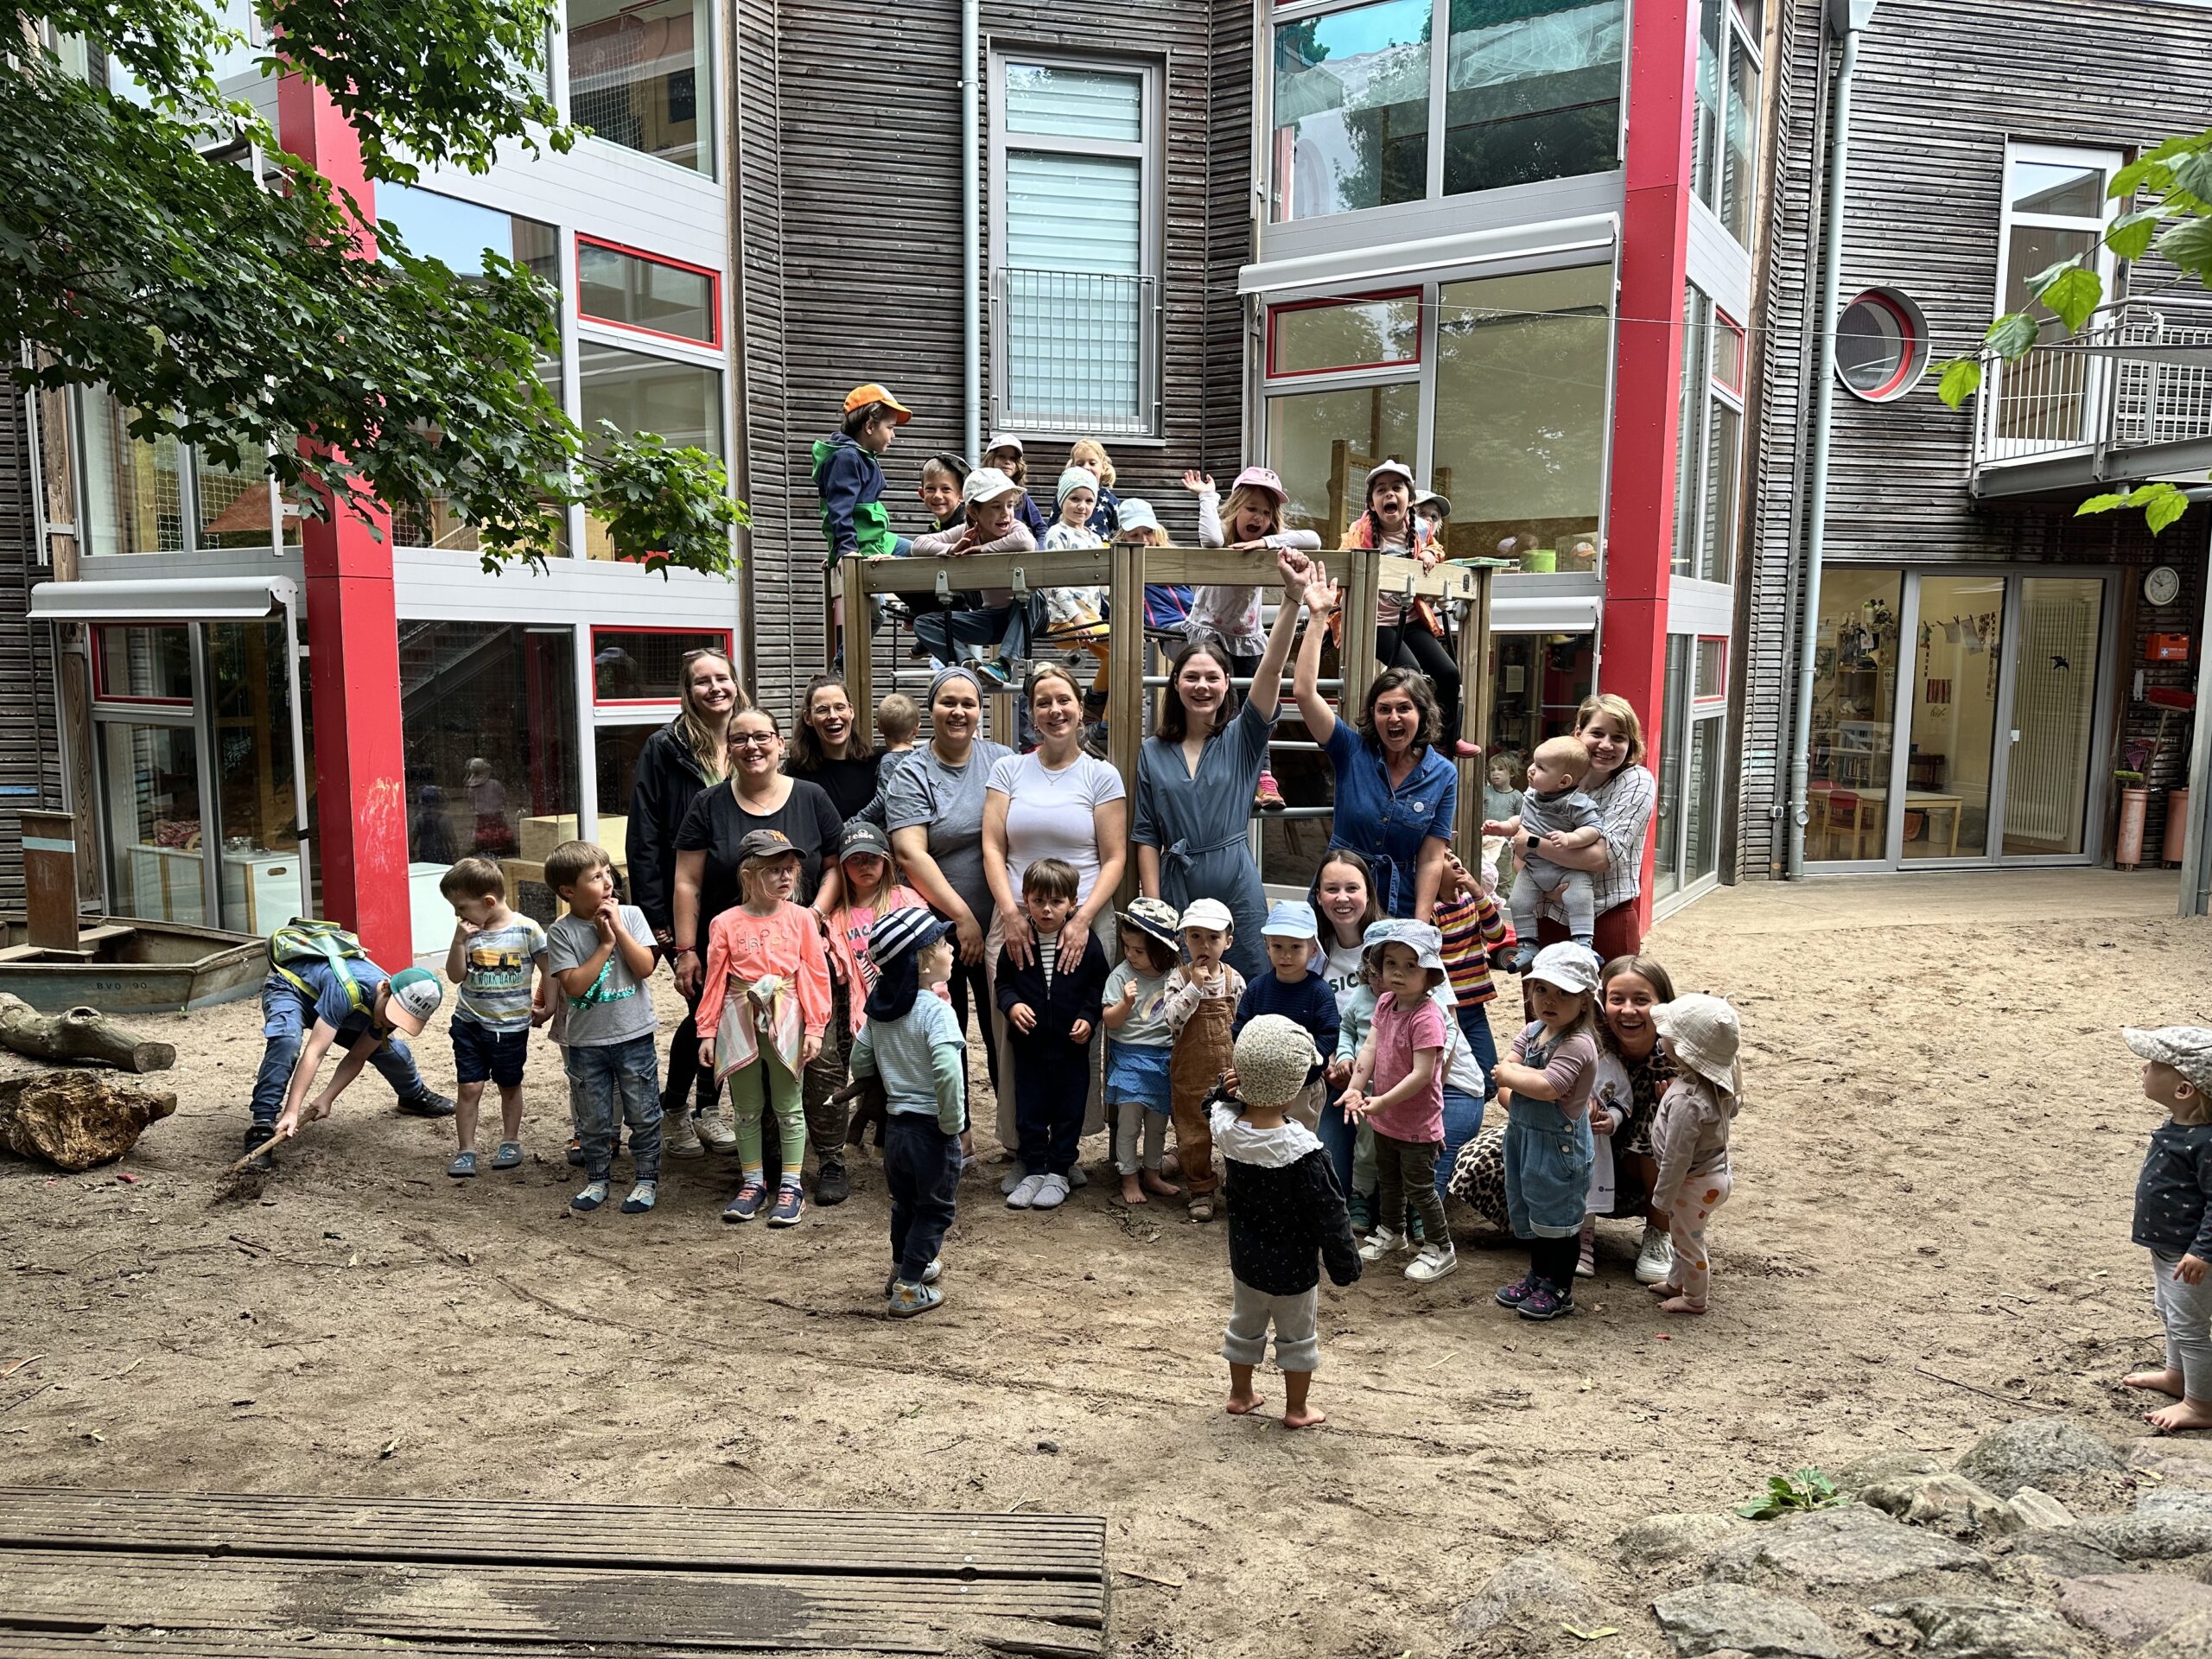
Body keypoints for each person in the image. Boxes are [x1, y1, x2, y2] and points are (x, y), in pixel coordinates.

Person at [672, 705, 845, 1195]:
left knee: (821, 1062)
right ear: (727, 748)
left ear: (780, 742)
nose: (752, 746)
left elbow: (835, 865)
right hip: (738, 954)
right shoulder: (708, 803)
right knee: (756, 1071)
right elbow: (687, 881)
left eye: (763, 736)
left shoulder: (811, 797)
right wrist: (687, 948)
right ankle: (767, 1170)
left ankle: (830, 1161)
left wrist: (814, 915)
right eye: (740, 738)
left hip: (797, 949)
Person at [1134, 549, 1306, 982]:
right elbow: (1147, 834)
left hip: (1236, 882)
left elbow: (1271, 671)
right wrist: (1155, 911)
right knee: (1181, 990)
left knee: (1251, 982)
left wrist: (1292, 598)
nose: (1202, 686)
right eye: (1192, 677)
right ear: (1176, 683)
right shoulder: (1152, 751)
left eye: (1213, 677)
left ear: (1228, 684)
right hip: (1177, 886)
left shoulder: (1243, 738)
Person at [983, 664, 1127, 1185]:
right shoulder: (1009, 771)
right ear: (1030, 711)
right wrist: (1009, 912)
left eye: (1063, 699)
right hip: (1016, 917)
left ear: (1080, 707)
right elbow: (992, 846)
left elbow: (1114, 858)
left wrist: (1083, 918)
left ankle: (1067, 1150)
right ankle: (1023, 1148)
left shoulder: (1101, 775)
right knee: (1015, 1032)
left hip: (1083, 919)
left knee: (1075, 1031)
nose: (1054, 710)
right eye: (1042, 701)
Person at [629, 647, 749, 1160]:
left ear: (736, 682)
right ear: (688, 691)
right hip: (690, 907)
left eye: (722, 678)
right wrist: (659, 922)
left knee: (734, 1010)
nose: (715, 688)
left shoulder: (751, 736)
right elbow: (645, 839)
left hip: (747, 905)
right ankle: (679, 1109)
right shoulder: (666, 747)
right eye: (703, 681)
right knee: (707, 1009)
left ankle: (704, 1109)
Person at [1215, 1014, 1362, 1431]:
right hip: (1294, 1270)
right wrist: (1345, 1265)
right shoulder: (1305, 1152)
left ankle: (1241, 1394)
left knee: (1244, 1326)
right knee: (1298, 1338)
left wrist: (1227, 1090)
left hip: (1246, 1262)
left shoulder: (1228, 1129)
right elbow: (1331, 1213)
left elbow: (1215, 1105)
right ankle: (1297, 1409)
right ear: (1295, 1087)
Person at [1292, 562, 1458, 918]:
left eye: (1404, 709)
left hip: (1399, 902)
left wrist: (1419, 926)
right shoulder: (1351, 750)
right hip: (1337, 898)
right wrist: (1318, 616)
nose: (1394, 718)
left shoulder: (1443, 773)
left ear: (1422, 714)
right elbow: (1304, 693)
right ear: (1373, 714)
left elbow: (1432, 856)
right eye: (1384, 709)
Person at [887, 669, 1012, 1109]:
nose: (958, 712)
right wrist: (961, 918)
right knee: (945, 1029)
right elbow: (910, 853)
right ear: (931, 710)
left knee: (1005, 1029)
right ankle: (956, 1129)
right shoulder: (912, 771)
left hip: (1002, 923)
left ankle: (1011, 1126)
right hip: (936, 930)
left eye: (968, 703)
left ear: (980, 710)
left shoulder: (1000, 761)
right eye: (948, 702)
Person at [696, 830, 834, 1228]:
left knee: (789, 1106)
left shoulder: (802, 919)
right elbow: (715, 981)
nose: (785, 877)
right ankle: (752, 1182)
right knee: (746, 1108)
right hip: (739, 1021)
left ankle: (791, 1186)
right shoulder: (724, 923)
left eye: (790, 869)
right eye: (774, 870)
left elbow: (815, 975)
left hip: (787, 1019)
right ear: (748, 875)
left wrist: (816, 1027)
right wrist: (707, 1031)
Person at [850, 908, 968, 1318]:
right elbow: (948, 1072)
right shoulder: (937, 1011)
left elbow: (860, 1060)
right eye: (943, 944)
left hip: (896, 1129)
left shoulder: (881, 1009)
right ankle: (908, 1288)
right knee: (934, 1209)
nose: (951, 949)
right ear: (922, 961)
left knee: (905, 1204)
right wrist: (952, 1122)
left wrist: (883, 1080)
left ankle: (902, 1266)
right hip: (931, 1130)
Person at [543, 839, 664, 1216]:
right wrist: (605, 945)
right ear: (568, 891)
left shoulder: (632, 915)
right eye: (595, 877)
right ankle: (597, 1180)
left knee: (643, 1113)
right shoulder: (561, 933)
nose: (608, 882)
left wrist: (619, 931)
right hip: (586, 1043)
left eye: (607, 872)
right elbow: (574, 987)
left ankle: (646, 1180)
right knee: (593, 1119)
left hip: (635, 1034)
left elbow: (645, 967)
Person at [251, 938, 448, 1169]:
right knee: (287, 1040)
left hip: (345, 1008)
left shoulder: (389, 1008)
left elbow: (357, 1057)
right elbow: (315, 1051)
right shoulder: (347, 989)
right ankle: (262, 1124)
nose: (391, 1022)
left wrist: (327, 1097)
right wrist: (292, 1111)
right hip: (293, 989)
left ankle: (412, 1096)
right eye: (392, 1014)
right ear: (385, 988)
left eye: (401, 1020)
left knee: (393, 1052)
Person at [1491, 944, 1602, 1322]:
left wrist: (1512, 1075)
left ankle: (1559, 1287)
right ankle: (1538, 1276)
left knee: (1561, 1224)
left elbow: (1549, 1086)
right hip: (1525, 1140)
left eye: (1563, 993)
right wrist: (1514, 1074)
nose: (1549, 1000)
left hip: (1559, 1149)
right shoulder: (1533, 1030)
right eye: (1541, 989)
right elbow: (1507, 1069)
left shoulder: (1578, 1043)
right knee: (1538, 1216)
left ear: (1584, 1001)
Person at [1340, 922, 1457, 1284]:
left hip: (1417, 1123)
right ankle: (1392, 1231)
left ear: (1430, 974)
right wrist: (1356, 1088)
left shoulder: (1428, 1016)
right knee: (1388, 1178)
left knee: (1420, 1187)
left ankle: (1441, 1247)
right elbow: (1370, 1048)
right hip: (1386, 1118)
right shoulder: (1386, 1002)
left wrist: (1382, 1101)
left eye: (1411, 965)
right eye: (1391, 963)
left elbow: (1423, 1074)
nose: (1399, 972)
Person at [1338, 460, 1476, 756]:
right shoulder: (1360, 532)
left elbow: (1436, 548)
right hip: (1374, 622)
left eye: (1396, 488)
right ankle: (1419, 737)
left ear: (1410, 499)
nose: (1389, 494)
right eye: (1381, 490)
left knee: (1449, 673)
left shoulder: (1420, 530)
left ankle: (1446, 738)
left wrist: (1429, 553)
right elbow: (1344, 561)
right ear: (1372, 503)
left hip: (1409, 618)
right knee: (1410, 672)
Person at [996, 857, 1109, 1211]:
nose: (1047, 910)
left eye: (1057, 902)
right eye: (1038, 901)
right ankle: (1033, 1169)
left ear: (1072, 903)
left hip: (1071, 1049)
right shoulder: (1017, 942)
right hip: (1029, 1047)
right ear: (1025, 899)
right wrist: (1012, 1005)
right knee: (1029, 1110)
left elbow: (1098, 986)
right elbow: (1003, 984)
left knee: (1068, 1111)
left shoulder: (1086, 944)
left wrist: (1088, 1018)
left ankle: (1060, 1170)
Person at [2120, 1025, 2212, 1433]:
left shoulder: (2206, 1142)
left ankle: (2201, 1405)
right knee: (2170, 1312)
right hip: (2170, 1246)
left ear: (2184, 1089)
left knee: (2190, 1327)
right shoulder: (2181, 1126)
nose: (2145, 1069)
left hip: (2192, 1254)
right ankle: (2177, 1377)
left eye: (2155, 1065)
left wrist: (2203, 1251)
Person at [1527, 694, 1660, 966]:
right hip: (1547, 914)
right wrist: (1549, 889)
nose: (1606, 745)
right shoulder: (1549, 774)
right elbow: (1517, 853)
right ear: (1579, 732)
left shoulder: (1636, 781)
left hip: (1606, 915)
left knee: (1612, 994)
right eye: (1597, 733)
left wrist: (1533, 843)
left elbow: (1601, 857)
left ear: (1630, 744)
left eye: (1619, 738)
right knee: (1543, 994)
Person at [439, 856, 548, 1179]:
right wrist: (458, 941)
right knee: (469, 1086)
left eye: (461, 907)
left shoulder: (527, 929)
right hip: (469, 1023)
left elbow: (549, 970)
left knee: (509, 1084)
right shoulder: (468, 932)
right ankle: (466, 1150)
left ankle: (510, 1141)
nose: (458, 915)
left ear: (488, 901)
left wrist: (549, 1006)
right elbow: (455, 976)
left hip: (510, 1027)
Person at [1586, 954, 1681, 1284]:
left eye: (1641, 1000)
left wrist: (1682, 1102)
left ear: (1662, 1005)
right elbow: (1511, 1089)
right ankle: (1553, 1227)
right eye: (1617, 1000)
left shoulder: (1682, 1053)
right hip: (1587, 1157)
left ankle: (1659, 1233)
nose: (1628, 1010)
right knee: (1489, 1159)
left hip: (1652, 1175)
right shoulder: (1585, 1043)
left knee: (1664, 1116)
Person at [1647, 994, 1743, 1317]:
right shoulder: (1710, 1086)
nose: (1661, 1038)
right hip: (1714, 1176)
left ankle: (1695, 1298)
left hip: (1693, 1183)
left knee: (1689, 1242)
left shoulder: (1688, 1100)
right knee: (1683, 1234)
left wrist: (1662, 1196)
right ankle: (1677, 1283)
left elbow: (1677, 1156)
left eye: (1668, 1035)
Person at [1180, 466, 1324, 678]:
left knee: (1248, 689)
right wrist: (1207, 496)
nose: (1259, 518)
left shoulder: (1271, 539)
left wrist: (1265, 542)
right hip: (1210, 627)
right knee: (1215, 685)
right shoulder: (1225, 532)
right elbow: (1211, 540)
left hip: (1246, 633)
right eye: (1251, 508)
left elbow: (1314, 540)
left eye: (1267, 512)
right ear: (1235, 507)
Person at [910, 467, 1040, 689]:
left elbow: (1026, 542)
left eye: (1010, 505)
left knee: (1033, 596)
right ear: (974, 512)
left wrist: (981, 550)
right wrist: (952, 548)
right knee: (924, 623)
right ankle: (967, 663)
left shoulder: (1015, 529)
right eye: (996, 507)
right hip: (993, 618)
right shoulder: (966, 532)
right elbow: (918, 545)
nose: (1006, 513)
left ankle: (1004, 664)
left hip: (1029, 616)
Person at [1485, 734, 1605, 969]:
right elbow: (1521, 820)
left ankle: (1583, 943)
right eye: (1534, 762)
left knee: (1580, 897)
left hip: (1567, 869)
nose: (1531, 769)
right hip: (1533, 869)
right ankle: (1527, 945)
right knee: (1518, 902)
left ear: (1563, 781)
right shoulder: (1531, 796)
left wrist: (1571, 838)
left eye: (1541, 767)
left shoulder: (1576, 802)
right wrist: (1504, 827)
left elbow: (1594, 829)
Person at [1312, 849, 1384, 1210]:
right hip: (1344, 1083)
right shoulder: (1314, 952)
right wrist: (1329, 1067)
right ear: (1318, 897)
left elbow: (1443, 1022)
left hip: (1403, 1081)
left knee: (1397, 1190)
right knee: (1332, 1185)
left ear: (1368, 893)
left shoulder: (1393, 941)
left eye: (1352, 888)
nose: (1342, 898)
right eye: (1332, 889)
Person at [1164, 897, 1243, 1224]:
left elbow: (1243, 1025)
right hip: (1191, 1073)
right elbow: (1171, 1020)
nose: (1204, 945)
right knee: (1193, 1134)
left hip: (1228, 1072)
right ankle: (1200, 1188)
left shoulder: (1234, 980)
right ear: (1184, 939)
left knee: (1235, 1129)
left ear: (1228, 941)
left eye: (1213, 937)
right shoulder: (1179, 978)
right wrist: (1194, 988)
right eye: (1195, 936)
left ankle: (1238, 1183)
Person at [1103, 897, 1184, 1206]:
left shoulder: (1175, 976)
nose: (1130, 955)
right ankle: (1128, 1177)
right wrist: (1125, 1003)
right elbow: (1110, 1021)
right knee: (1129, 1124)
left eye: (1139, 950)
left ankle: (1152, 1174)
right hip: (1130, 1059)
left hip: (1164, 1060)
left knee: (1157, 1125)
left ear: (1163, 950)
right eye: (1127, 947)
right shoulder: (1121, 976)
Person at [1232, 899, 1338, 1131]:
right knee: (1258, 1137)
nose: (1286, 955)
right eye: (1278, 946)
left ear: (1313, 950)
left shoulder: (1319, 992)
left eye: (1296, 947)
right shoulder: (1258, 988)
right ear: (1267, 947)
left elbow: (1329, 1035)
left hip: (1302, 1087)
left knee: (1298, 1139)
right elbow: (1240, 1028)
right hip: (1258, 1085)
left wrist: (1306, 1065)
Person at [812, 382, 912, 569]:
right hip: (863, 546)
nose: (894, 435)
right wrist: (845, 550)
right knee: (917, 568)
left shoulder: (863, 456)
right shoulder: (845, 458)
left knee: (922, 550)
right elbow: (840, 508)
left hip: (877, 538)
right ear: (870, 427)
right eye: (890, 427)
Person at [1433, 850, 1507, 1084]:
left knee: (1489, 1078)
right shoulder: (1433, 910)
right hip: (1447, 1009)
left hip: (1475, 1007)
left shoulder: (1472, 902)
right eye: (1446, 858)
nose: (1454, 859)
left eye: (1454, 855)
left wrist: (1478, 892)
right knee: (1448, 1074)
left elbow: (1497, 934)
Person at [788, 673, 880, 823]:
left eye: (840, 707)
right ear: (808, 717)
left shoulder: (879, 763)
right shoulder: (795, 772)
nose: (833, 716)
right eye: (822, 710)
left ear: (851, 711)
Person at [982, 433, 1050, 542]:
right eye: (1001, 456)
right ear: (991, 459)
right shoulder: (979, 492)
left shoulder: (1021, 496)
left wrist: (1039, 550)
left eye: (1013, 459)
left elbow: (1041, 527)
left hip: (1014, 549)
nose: (1007, 462)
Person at [1482, 753, 1522, 895]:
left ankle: (1502, 904)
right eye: (1492, 769)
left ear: (1511, 773)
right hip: (1483, 841)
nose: (1495, 773)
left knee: (1503, 878)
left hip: (1504, 845)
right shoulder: (1484, 792)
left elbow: (1521, 822)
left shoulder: (1517, 797)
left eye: (1500, 769)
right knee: (1482, 875)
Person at [1067, 439, 1123, 537]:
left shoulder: (1110, 500)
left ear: (1103, 467)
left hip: (1102, 546)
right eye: (1080, 464)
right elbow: (1053, 526)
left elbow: (1121, 532)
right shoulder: (1065, 496)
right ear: (1073, 467)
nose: (1086, 467)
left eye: (1092, 463)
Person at [462, 757, 514, 856]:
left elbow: (471, 802)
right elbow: (503, 797)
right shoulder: (495, 784)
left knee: (482, 840)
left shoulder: (472, 788)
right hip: (497, 816)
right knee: (501, 837)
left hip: (482, 817)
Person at [918, 453, 968, 534]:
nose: (937, 496)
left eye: (946, 489)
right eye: (931, 489)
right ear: (922, 494)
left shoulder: (969, 526)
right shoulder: (934, 530)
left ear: (962, 495)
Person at [1412, 488, 1450, 552]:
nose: (1429, 519)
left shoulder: (1434, 547)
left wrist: (1429, 552)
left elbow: (1437, 551)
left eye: (1434, 517)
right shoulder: (1398, 536)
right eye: (1422, 513)